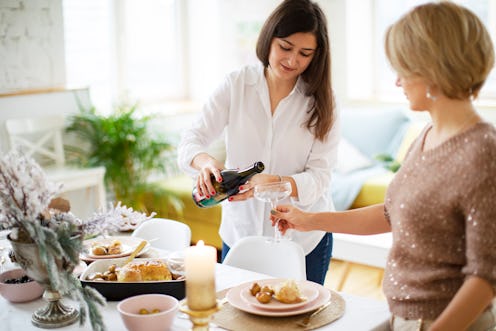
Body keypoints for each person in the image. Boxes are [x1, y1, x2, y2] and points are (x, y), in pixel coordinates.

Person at [271, 2, 496, 330]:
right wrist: (308, 220)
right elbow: (393, 213)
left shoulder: (483, 152)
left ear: (433, 68)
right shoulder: (427, 137)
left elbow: (485, 277)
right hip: (404, 316)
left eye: (403, 69)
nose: (397, 82)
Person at [177, 0, 339, 285]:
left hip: (303, 240)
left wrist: (274, 183)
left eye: (305, 53)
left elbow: (321, 177)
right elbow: (191, 139)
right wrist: (205, 163)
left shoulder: (322, 102)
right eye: (285, 48)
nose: (292, 61)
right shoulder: (236, 85)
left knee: (300, 324)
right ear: (269, 40)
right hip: (241, 234)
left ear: (317, 55)